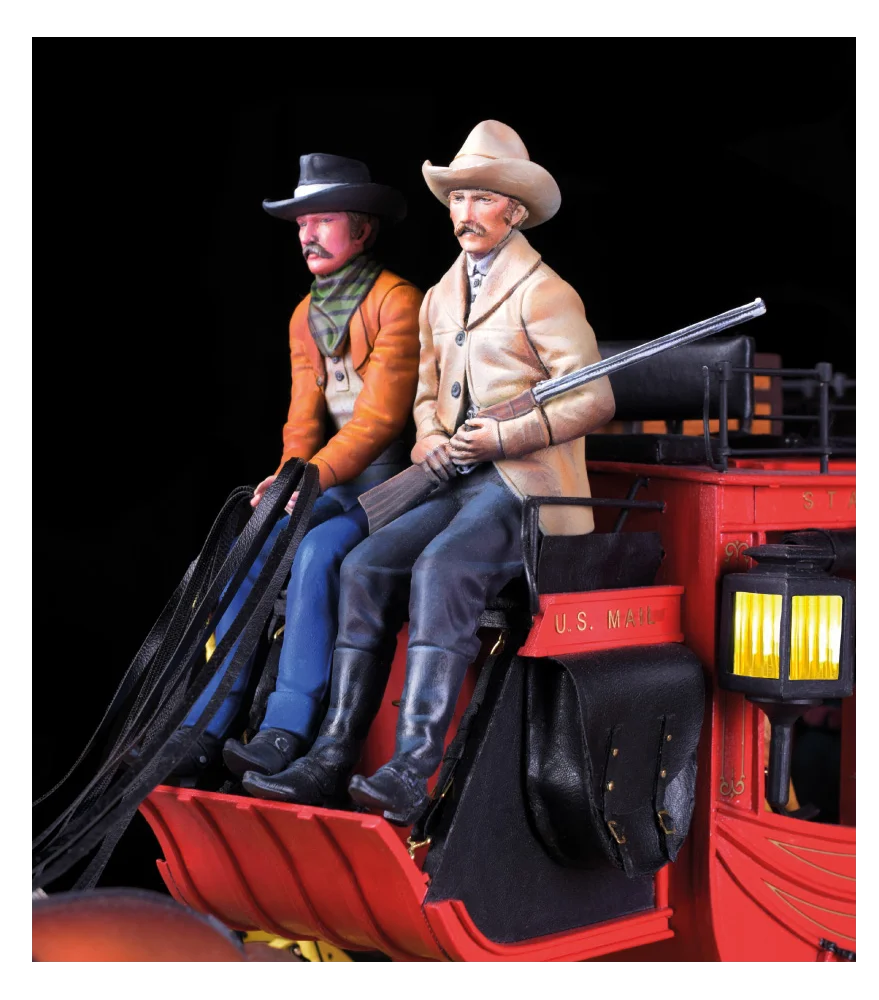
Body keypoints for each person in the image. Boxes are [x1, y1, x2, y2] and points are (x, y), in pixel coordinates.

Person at [242, 121, 616, 824]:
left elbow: (594, 397)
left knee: (442, 567)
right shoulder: (442, 295)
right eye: (459, 198)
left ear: (515, 212)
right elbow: (423, 394)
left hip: (526, 488)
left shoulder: (545, 292)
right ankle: (332, 751)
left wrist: (505, 434)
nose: (466, 213)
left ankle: (413, 768)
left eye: (483, 198)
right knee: (363, 564)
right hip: (453, 477)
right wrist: (433, 441)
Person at [169, 154, 423, 782]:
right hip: (330, 478)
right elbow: (303, 420)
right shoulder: (304, 316)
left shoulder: (397, 302)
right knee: (253, 545)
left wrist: (310, 480)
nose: (308, 234)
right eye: (301, 223)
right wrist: (287, 477)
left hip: (393, 485)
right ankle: (203, 724)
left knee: (315, 553)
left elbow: (379, 420)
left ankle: (285, 726)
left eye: (323, 220)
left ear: (362, 229)